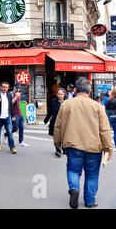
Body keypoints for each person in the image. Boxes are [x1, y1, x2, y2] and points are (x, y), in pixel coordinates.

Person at [54, 78, 113, 209]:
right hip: (94, 147)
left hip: (72, 145)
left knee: (73, 170)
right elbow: (104, 129)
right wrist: (108, 148)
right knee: (92, 174)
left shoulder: (66, 105)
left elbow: (58, 126)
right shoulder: (97, 106)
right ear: (89, 90)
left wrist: (57, 142)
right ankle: (90, 201)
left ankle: (74, 189)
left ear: (75, 90)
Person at [4, 82, 28, 147]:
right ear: (14, 87)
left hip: (20, 113)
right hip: (14, 114)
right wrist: (16, 96)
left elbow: (18, 104)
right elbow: (10, 103)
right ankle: (6, 134)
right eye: (17, 88)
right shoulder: (10, 94)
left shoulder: (19, 94)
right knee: (14, 128)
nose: (18, 89)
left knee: (21, 128)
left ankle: (21, 141)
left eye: (19, 88)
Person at [44, 88, 67, 157]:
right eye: (58, 94)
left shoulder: (67, 102)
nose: (60, 95)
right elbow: (50, 111)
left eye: (61, 94)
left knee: (64, 137)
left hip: (64, 122)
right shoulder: (53, 101)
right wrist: (46, 119)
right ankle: (58, 150)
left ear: (64, 95)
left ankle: (64, 148)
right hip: (55, 122)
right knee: (56, 137)